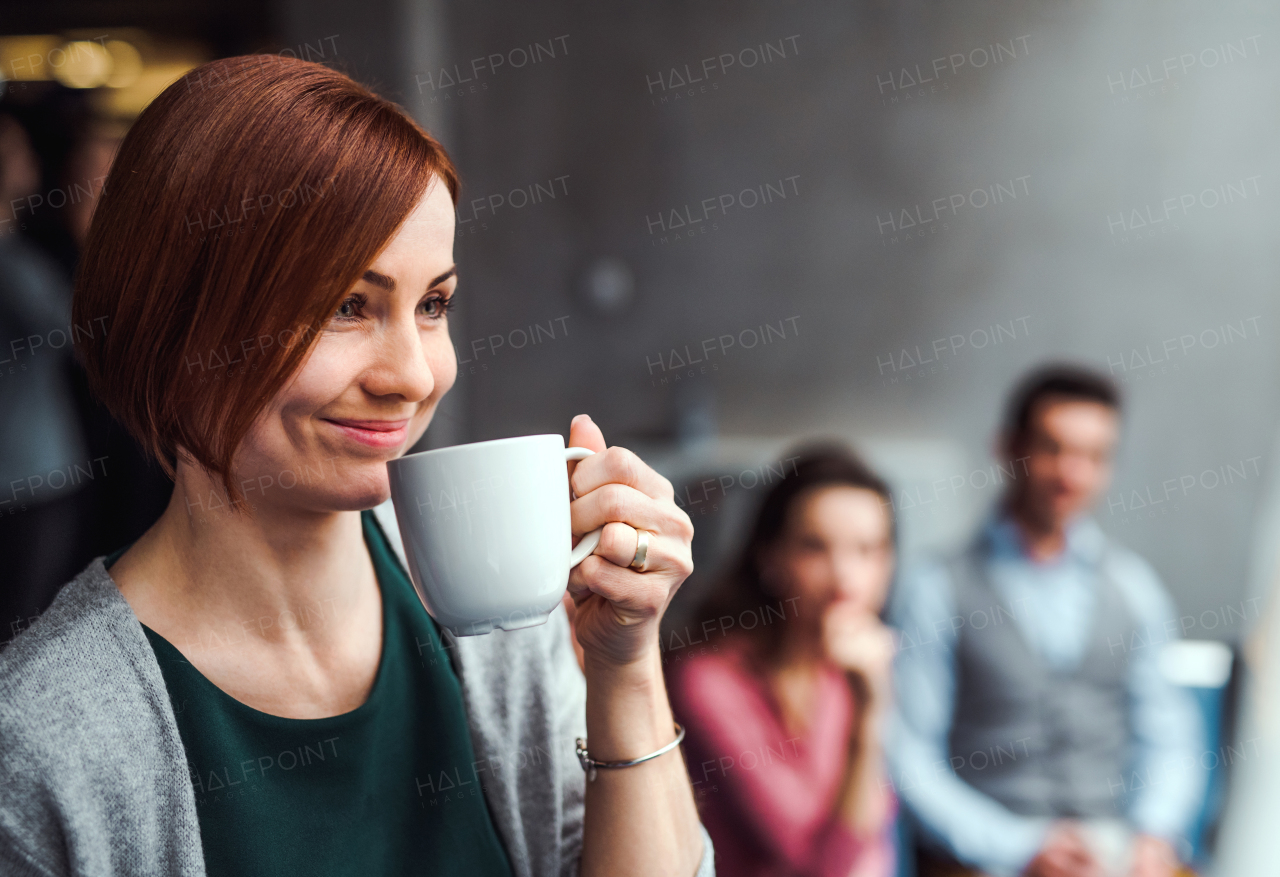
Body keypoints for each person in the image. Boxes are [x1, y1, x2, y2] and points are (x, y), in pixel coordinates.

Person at [0, 56, 713, 877]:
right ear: (178, 323)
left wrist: (625, 666)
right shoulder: (49, 741)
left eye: (433, 305)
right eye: (347, 306)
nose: (411, 374)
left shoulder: (488, 620)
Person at [887, 365, 1204, 877]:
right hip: (986, 857)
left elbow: (1169, 735)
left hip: (1118, 853)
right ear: (1008, 447)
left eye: (1093, 457)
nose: (1070, 474)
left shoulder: (1134, 588)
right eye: (1053, 448)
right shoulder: (937, 588)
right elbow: (909, 756)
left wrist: (1154, 834)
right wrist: (1017, 846)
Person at [668, 444, 899, 877]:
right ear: (769, 558)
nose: (844, 578)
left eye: (866, 550)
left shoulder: (854, 665)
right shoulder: (709, 680)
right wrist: (870, 719)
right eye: (815, 547)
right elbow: (817, 866)